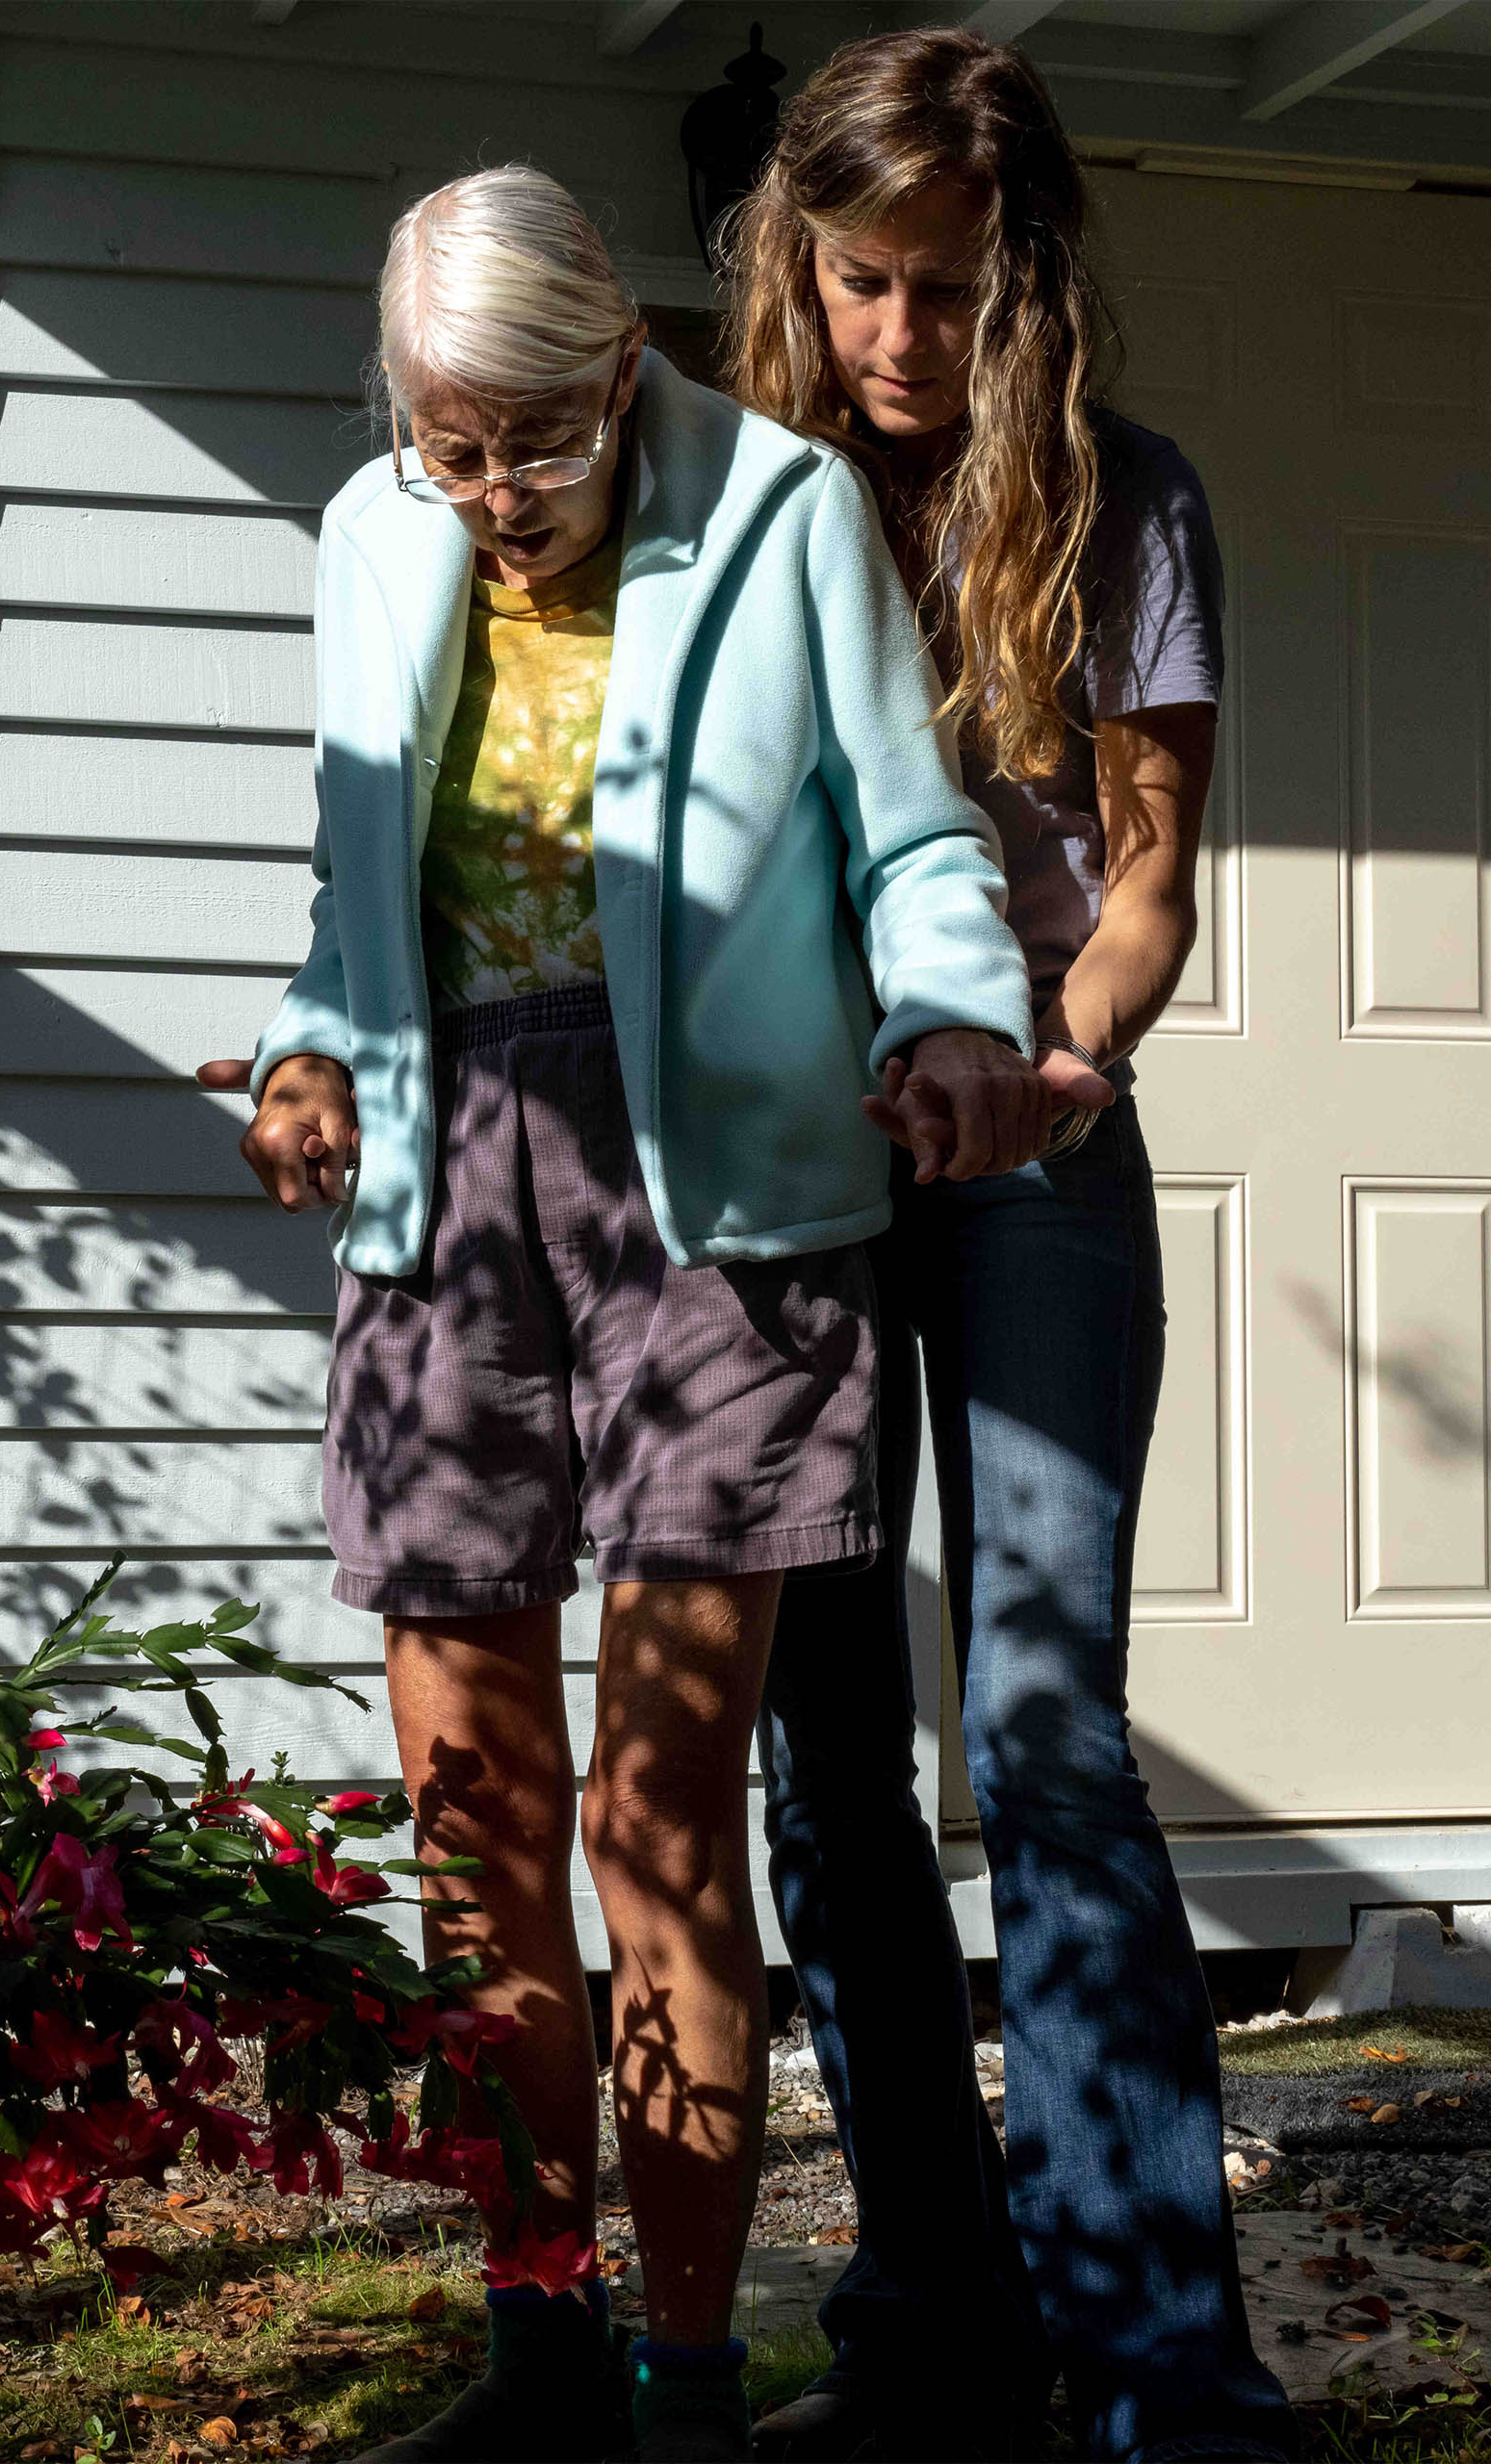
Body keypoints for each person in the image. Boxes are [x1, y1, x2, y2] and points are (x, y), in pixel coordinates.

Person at [201, 165, 1054, 2463]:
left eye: (537, 443)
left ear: (626, 362)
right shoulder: (371, 535)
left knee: (662, 1815)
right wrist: (307, 1062)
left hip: (725, 1208)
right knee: (475, 1815)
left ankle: (685, 2385)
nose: (492, 494)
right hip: (445, 1193)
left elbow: (917, 838)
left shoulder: (782, 512)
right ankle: (539, 2350)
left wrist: (953, 1017)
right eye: (448, 445)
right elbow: (356, 900)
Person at [722, 33, 1298, 2464]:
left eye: (949, 289)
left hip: (1040, 1147)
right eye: (861, 281)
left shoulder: (1125, 500)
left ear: (1024, 280)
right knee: (828, 1749)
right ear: (800, 262)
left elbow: (1151, 876)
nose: (900, 335)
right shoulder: (723, 502)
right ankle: (937, 2324)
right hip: (800, 1164)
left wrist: (1070, 1050)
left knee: (1046, 1724)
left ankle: (1162, 2361)